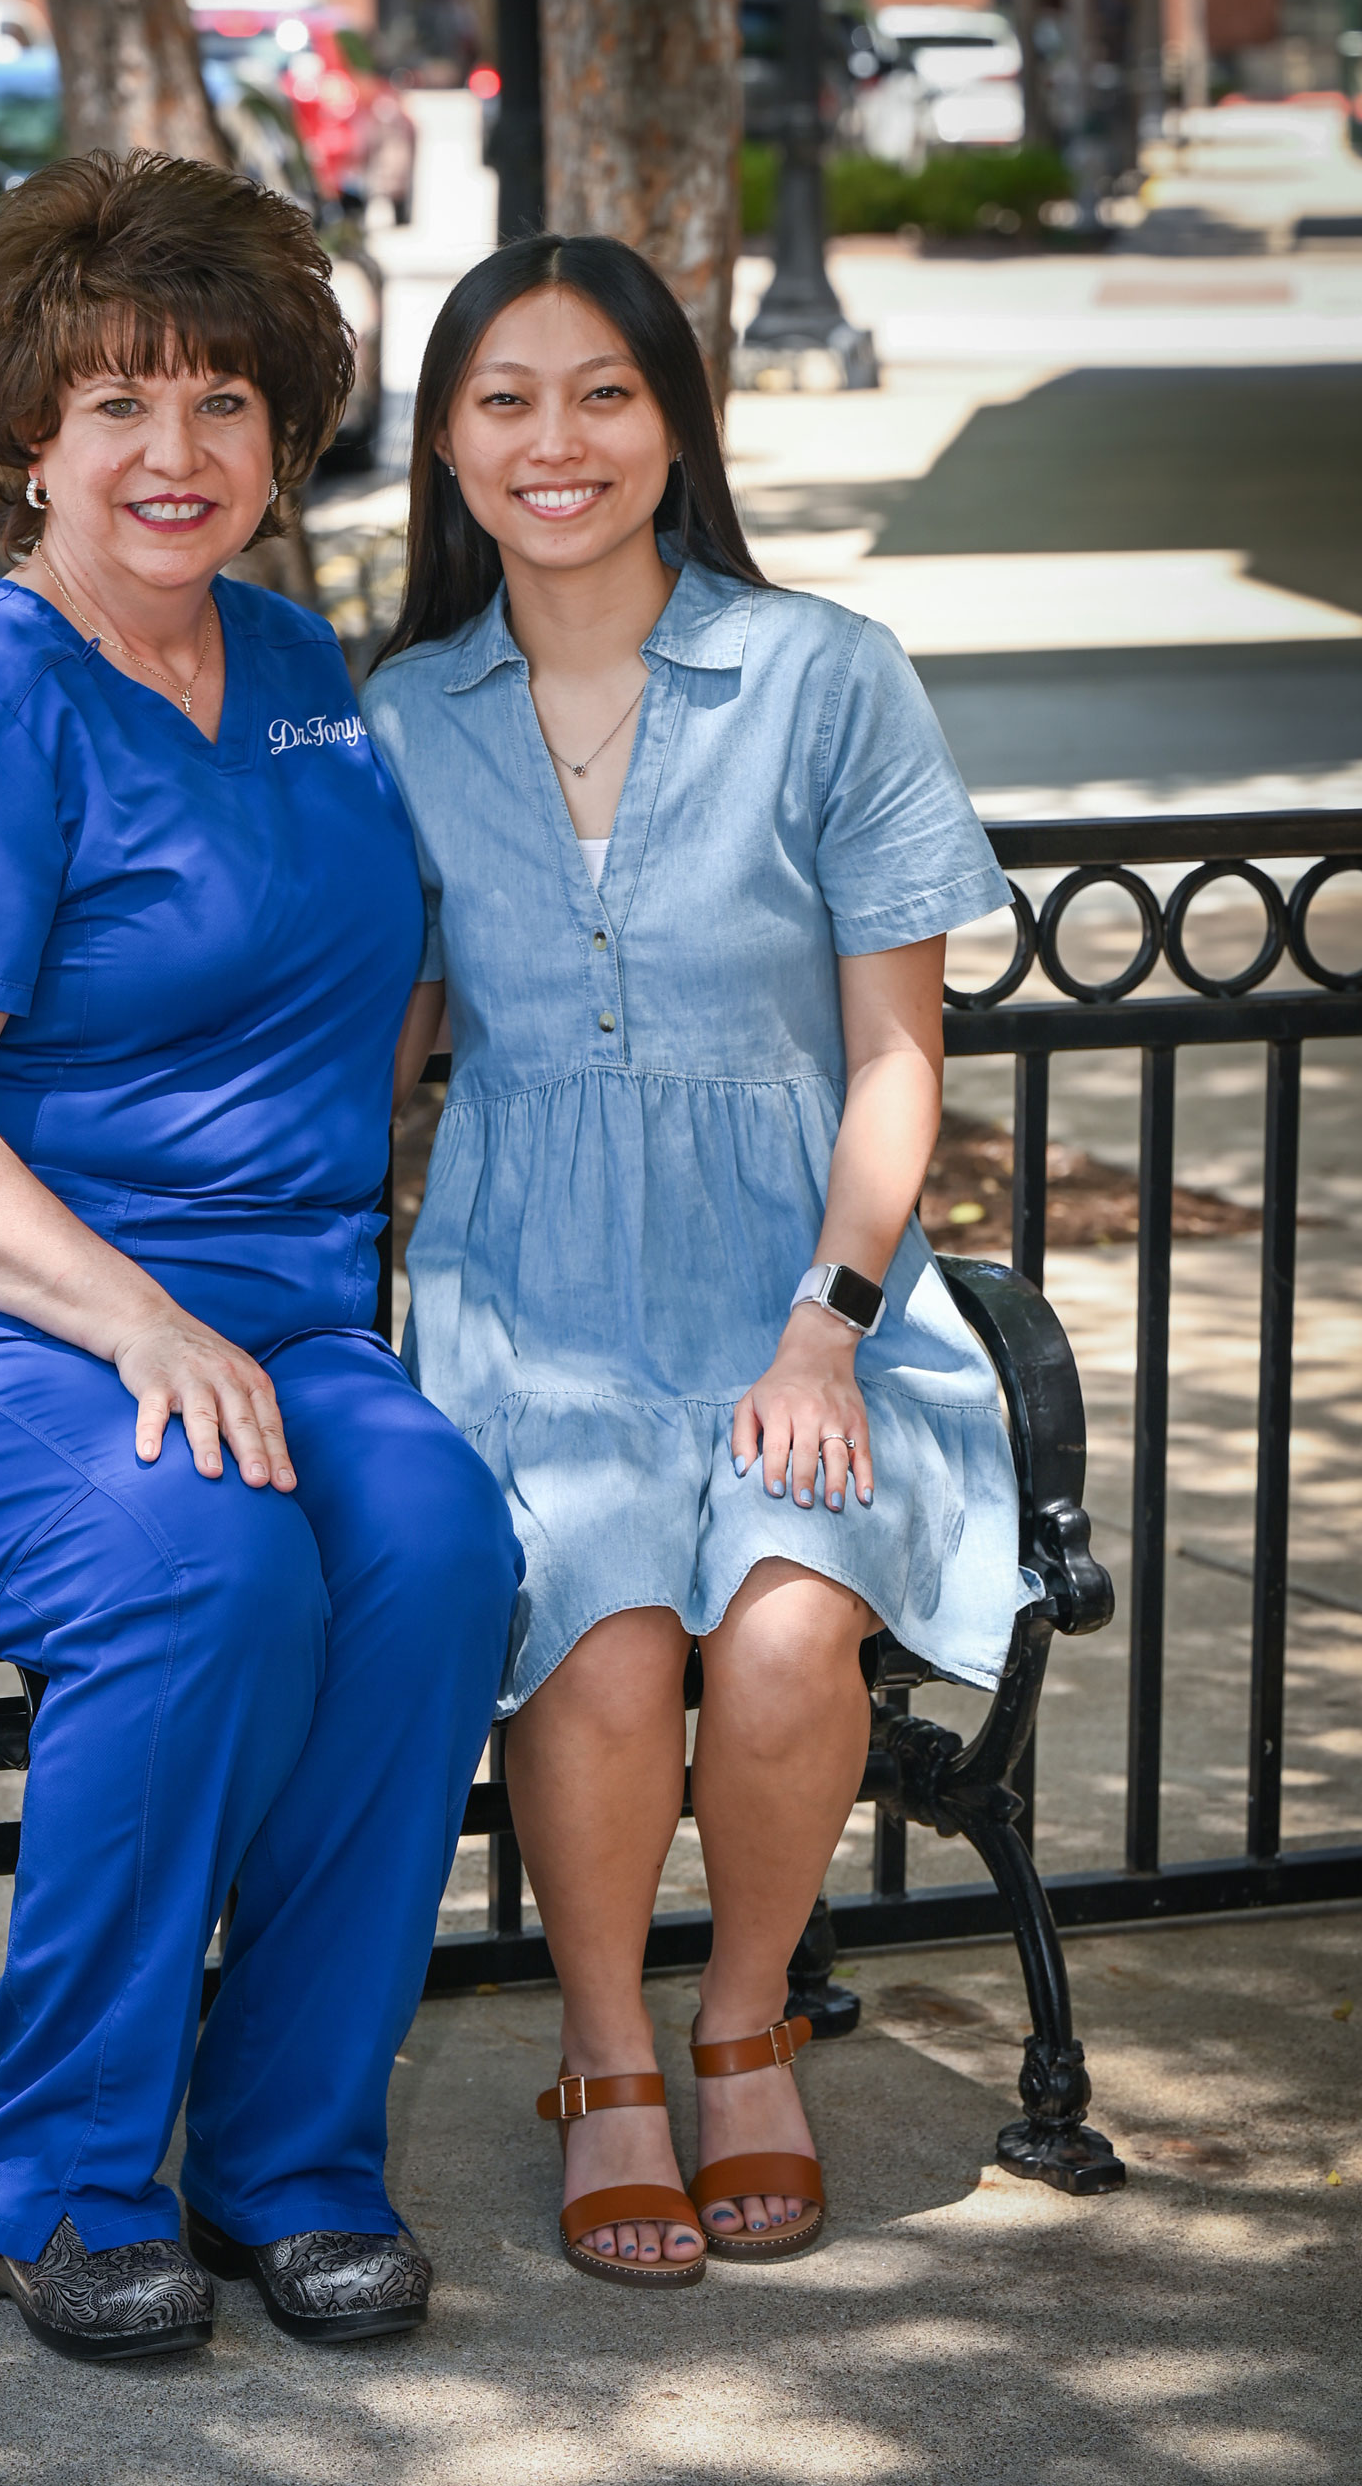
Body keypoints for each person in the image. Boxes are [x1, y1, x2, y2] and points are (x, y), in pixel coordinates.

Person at [0, 151, 520, 2363]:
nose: (177, 453)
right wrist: (141, 1316)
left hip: (262, 1320)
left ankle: (291, 2160)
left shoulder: (295, 668)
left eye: (223, 402)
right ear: (27, 435)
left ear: (285, 430)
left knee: (439, 1541)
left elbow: (382, 979)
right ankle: (62, 2181)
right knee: (206, 1563)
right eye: (117, 406)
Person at [361, 234, 1027, 2288]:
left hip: (797, 1294)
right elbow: (367, 1053)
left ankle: (741, 2024)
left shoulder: (826, 675)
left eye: (603, 393)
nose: (553, 441)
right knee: (602, 1620)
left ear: (675, 423)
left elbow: (896, 1054)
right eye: (503, 400)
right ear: (446, 445)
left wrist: (828, 1327)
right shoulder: (399, 716)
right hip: (526, 1301)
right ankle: (603, 2056)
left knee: (784, 1623)